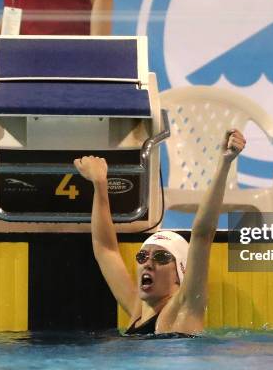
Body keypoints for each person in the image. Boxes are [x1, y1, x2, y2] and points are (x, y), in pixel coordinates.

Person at [74, 129, 246, 335]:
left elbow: (202, 235)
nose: (148, 263)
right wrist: (100, 184)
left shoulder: (183, 309)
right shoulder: (137, 310)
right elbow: (105, 250)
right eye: (143, 255)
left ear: (180, 273)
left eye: (162, 257)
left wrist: (224, 164)